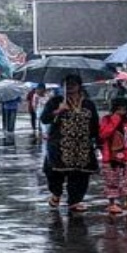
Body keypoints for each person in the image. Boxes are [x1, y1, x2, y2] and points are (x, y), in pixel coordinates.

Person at [40, 74, 99, 213]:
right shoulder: (56, 101)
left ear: (79, 86)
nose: (70, 87)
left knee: (80, 175)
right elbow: (44, 119)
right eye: (67, 84)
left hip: (82, 145)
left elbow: (95, 124)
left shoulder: (88, 104)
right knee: (55, 172)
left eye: (73, 84)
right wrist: (58, 111)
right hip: (60, 144)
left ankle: (75, 201)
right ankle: (56, 193)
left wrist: (98, 141)